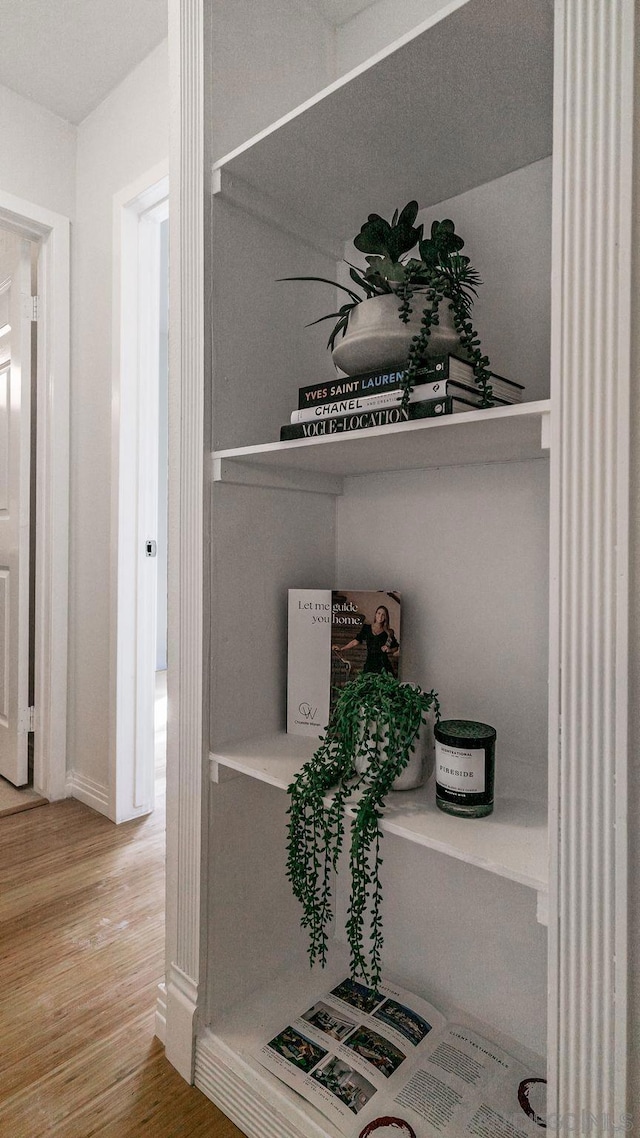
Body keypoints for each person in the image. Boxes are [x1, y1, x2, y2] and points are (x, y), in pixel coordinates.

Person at [333, 605, 399, 675]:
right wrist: (342, 648)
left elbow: (395, 647)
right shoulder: (366, 628)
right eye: (379, 613)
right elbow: (355, 641)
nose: (380, 616)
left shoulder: (388, 633)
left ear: (386, 617)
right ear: (375, 614)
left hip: (384, 665)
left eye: (383, 615)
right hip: (370, 663)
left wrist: (389, 650)